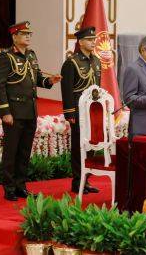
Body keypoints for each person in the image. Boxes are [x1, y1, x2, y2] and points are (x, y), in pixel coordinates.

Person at [0, 21, 62, 201]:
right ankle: (9, 188)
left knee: (24, 151)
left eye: (29, 34)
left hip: (30, 110)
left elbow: (37, 79)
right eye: (24, 34)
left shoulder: (31, 55)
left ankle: (20, 186)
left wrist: (50, 81)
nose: (28, 37)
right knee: (11, 151)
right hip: (14, 111)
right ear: (14, 36)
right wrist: (5, 111)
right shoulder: (5, 57)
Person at [60, 26, 101, 194]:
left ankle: (87, 180)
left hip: (94, 112)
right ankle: (78, 181)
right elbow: (67, 89)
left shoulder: (96, 61)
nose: (93, 42)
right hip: (78, 111)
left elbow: (99, 88)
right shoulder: (72, 63)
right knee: (79, 147)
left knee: (91, 146)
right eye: (90, 40)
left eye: (94, 40)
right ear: (80, 42)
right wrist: (69, 113)